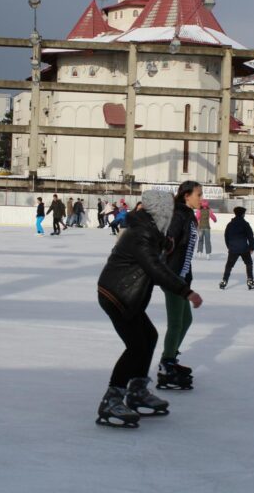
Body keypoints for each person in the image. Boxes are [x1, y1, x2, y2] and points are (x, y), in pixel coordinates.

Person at [95, 190, 203, 428]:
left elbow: (160, 244)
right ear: (161, 211)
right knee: (136, 346)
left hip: (126, 295)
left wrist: (169, 243)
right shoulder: (140, 234)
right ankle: (112, 400)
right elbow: (155, 268)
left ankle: (137, 390)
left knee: (149, 336)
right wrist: (186, 291)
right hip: (117, 295)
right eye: (169, 211)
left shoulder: (148, 229)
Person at [158, 181, 203, 391]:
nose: (200, 199)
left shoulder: (189, 215)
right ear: (186, 195)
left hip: (182, 276)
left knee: (186, 320)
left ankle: (170, 359)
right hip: (173, 276)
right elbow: (168, 241)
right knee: (177, 322)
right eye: (198, 195)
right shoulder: (179, 214)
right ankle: (166, 365)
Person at [221, 207, 254, 290]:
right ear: (243, 214)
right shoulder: (245, 224)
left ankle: (224, 281)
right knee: (249, 263)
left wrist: (229, 246)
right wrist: (252, 247)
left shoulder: (230, 224)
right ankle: (250, 280)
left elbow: (226, 236)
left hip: (233, 248)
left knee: (229, 265)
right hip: (244, 248)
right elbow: (250, 236)